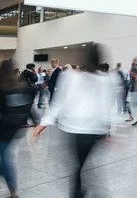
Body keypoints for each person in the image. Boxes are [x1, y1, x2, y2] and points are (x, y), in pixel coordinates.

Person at [33, 45, 115, 198]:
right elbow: (105, 106)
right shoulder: (104, 79)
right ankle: (84, 192)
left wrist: (43, 124)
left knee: (78, 167)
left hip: (74, 129)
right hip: (93, 131)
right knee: (81, 166)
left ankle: (81, 193)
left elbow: (59, 103)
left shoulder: (71, 76)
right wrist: (107, 128)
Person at [0, 59, 34, 198]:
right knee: (5, 154)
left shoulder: (1, 87)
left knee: (5, 157)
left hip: (2, 126)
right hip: (15, 127)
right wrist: (36, 121)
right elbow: (29, 105)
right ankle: (13, 190)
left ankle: (13, 191)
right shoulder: (20, 86)